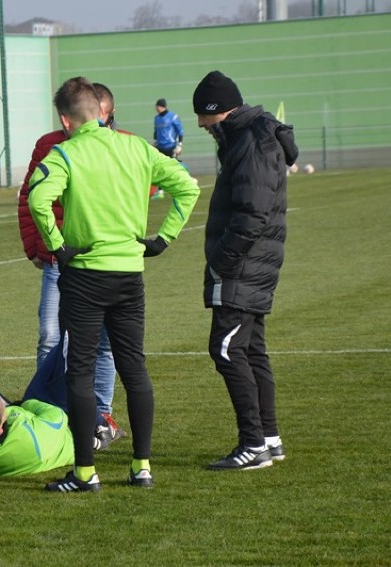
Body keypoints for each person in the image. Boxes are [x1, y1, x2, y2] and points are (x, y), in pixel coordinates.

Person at [28, 77, 200, 492]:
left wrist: (57, 245)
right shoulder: (136, 146)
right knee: (134, 368)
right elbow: (188, 187)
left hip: (85, 275)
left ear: (66, 120)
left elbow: (37, 199)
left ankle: (85, 473)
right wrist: (163, 238)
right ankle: (141, 466)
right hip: (129, 274)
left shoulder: (65, 153)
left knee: (81, 372)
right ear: (101, 112)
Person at [192, 70, 298, 471]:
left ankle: (252, 443)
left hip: (242, 267)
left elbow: (252, 213)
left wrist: (222, 261)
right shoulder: (247, 136)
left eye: (206, 120)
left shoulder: (251, 140)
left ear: (222, 111)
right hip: (254, 265)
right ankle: (268, 439)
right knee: (251, 351)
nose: (204, 127)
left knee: (225, 348)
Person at [16, 82, 127, 451]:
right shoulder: (49, 145)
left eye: (106, 116)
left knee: (105, 344)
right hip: (59, 259)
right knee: (50, 335)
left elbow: (136, 191)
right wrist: (37, 245)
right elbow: (29, 197)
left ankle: (101, 413)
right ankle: (48, 408)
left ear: (108, 114)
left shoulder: (123, 144)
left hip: (107, 261)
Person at [151, 98, 185, 200]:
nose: (156, 108)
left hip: (171, 146)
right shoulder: (156, 118)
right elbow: (156, 132)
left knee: (174, 168)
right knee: (160, 169)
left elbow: (180, 131)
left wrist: (179, 144)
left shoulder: (172, 117)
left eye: (157, 106)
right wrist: (155, 142)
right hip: (160, 147)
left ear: (162, 106)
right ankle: (160, 191)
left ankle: (185, 183)